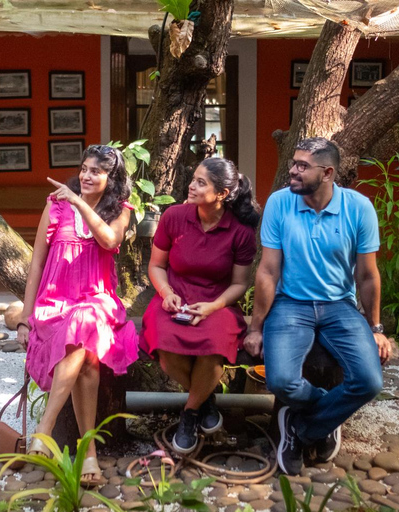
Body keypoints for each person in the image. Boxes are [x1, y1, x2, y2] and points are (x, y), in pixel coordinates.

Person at [243, 137, 391, 475]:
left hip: (339, 306)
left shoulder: (358, 208)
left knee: (369, 381)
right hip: (290, 306)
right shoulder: (280, 204)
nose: (292, 171)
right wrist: (256, 327)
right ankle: (324, 417)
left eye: (301, 166)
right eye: (294, 163)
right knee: (280, 381)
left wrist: (375, 328)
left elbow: (367, 276)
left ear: (327, 173)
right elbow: (267, 270)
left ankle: (303, 428)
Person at [16, 144, 138, 486]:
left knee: (84, 321)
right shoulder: (55, 206)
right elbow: (37, 263)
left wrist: (79, 202)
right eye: (84, 168)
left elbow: (110, 241)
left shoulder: (120, 211)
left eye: (96, 171)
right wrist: (26, 316)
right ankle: (89, 455)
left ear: (111, 179)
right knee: (87, 363)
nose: (85, 175)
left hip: (96, 300)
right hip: (56, 303)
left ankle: (46, 429)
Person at [141, 157, 260, 454]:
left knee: (214, 345)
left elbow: (239, 283)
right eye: (193, 179)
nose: (190, 186)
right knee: (166, 350)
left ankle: (190, 414)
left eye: (200, 182)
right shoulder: (174, 217)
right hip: (173, 296)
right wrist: (166, 292)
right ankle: (205, 401)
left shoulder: (240, 231)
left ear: (221, 194)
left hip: (217, 302)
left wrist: (212, 306)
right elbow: (156, 266)